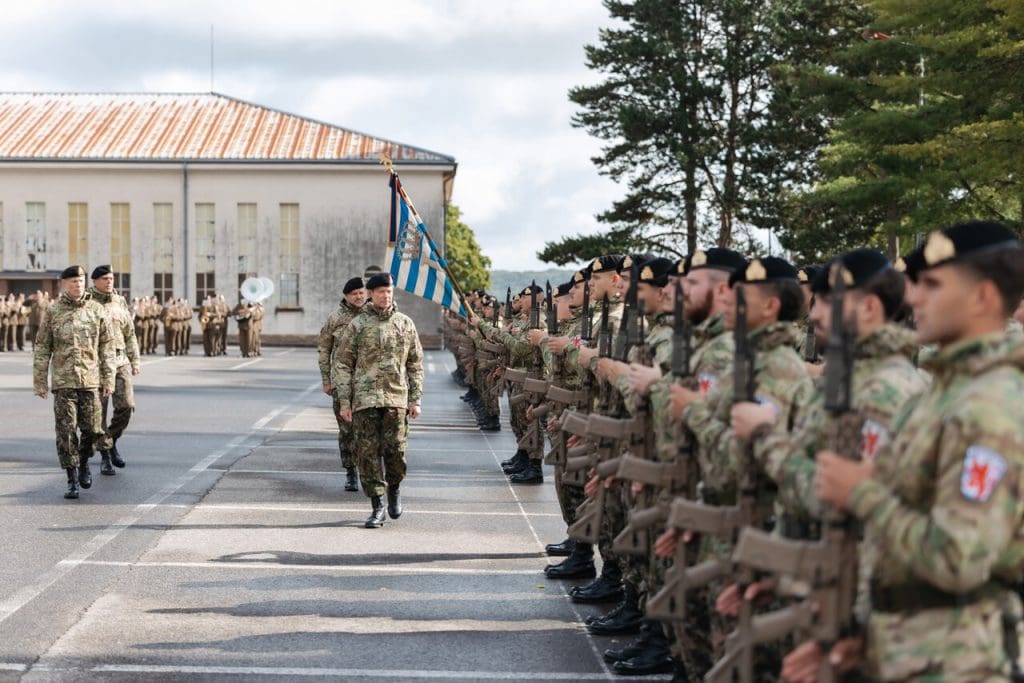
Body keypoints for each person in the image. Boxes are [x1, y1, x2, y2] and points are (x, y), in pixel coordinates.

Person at [808, 221, 1024, 682]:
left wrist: (861, 492)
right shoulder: (945, 392)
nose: (914, 298)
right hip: (910, 648)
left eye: (933, 285)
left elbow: (958, 557)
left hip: (961, 662)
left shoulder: (990, 405)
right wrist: (863, 636)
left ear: (983, 297)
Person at [334, 273, 424, 528]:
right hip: (365, 400)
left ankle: (394, 490)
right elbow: (343, 364)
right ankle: (377, 505)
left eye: (389, 291)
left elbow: (415, 363)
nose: (386, 295)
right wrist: (345, 402)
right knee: (368, 454)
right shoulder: (358, 324)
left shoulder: (405, 323)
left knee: (396, 451)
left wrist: (415, 399)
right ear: (371, 294)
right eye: (381, 291)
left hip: (396, 398)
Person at [33, 266, 115, 499]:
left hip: (91, 381)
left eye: (80, 281)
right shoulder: (53, 311)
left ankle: (84, 460)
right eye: (73, 282)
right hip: (64, 382)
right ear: (64, 285)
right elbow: (42, 347)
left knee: (92, 429)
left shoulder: (97, 310)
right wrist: (40, 381)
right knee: (66, 432)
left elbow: (107, 347)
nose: (78, 285)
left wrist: (108, 378)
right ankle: (72, 478)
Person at [89, 265, 141, 474]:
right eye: (104, 278)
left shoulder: (120, 301)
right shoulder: (87, 303)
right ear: (94, 281)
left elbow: (130, 333)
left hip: (120, 362)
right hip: (97, 365)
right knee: (98, 413)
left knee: (126, 406)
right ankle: (105, 456)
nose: (109, 281)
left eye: (111, 278)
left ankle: (110, 441)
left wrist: (135, 360)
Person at [317, 277, 367, 492]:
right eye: (354, 293)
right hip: (342, 382)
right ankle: (350, 471)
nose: (359, 296)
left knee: (369, 430)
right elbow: (324, 350)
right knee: (347, 430)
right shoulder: (335, 318)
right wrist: (326, 380)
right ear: (346, 296)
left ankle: (369, 470)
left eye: (361, 292)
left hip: (369, 383)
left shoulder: (372, 315)